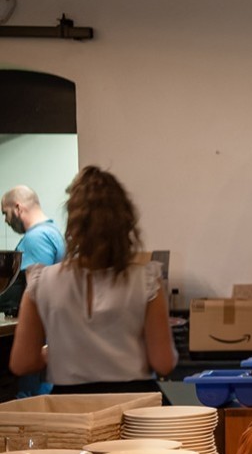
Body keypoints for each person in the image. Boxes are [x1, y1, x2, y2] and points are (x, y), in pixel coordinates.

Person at [8, 166, 177, 395]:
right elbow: (163, 362)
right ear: (125, 222)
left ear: (74, 223)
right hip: (134, 404)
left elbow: (22, 362)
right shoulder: (145, 281)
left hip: (70, 406)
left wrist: (58, 352)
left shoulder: (42, 282)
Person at [2, 184, 66, 269]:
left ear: (18, 208)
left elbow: (34, 281)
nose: (6, 220)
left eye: (6, 213)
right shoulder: (51, 230)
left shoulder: (37, 238)